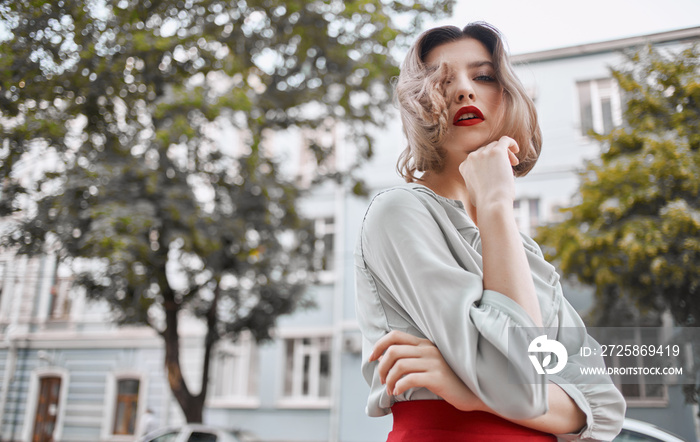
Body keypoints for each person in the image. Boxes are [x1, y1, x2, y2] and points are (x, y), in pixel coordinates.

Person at [354, 22, 626, 441]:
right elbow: (522, 386)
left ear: (506, 95)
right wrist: (498, 203)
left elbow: (604, 409)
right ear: (418, 104)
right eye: (442, 80)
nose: (464, 90)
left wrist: (470, 389)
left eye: (483, 76)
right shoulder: (400, 212)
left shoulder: (523, 252)